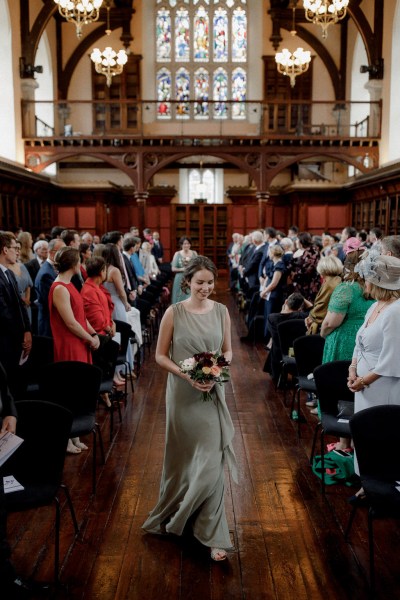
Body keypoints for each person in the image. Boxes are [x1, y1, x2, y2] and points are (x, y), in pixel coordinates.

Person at [142, 256, 237, 562]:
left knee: (212, 461)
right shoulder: (174, 312)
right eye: (200, 283)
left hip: (211, 394)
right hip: (182, 396)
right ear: (187, 283)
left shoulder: (222, 311)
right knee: (183, 460)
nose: (206, 288)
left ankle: (214, 534)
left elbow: (228, 350)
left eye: (210, 282)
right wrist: (188, 375)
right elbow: (159, 356)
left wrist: (216, 369)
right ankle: (180, 514)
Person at [348, 253, 400, 499]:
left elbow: (393, 357)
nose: (364, 283)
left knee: (379, 435)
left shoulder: (396, 312)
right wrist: (352, 368)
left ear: (379, 283)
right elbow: (360, 341)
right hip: (364, 385)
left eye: (367, 279)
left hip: (383, 386)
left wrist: (363, 380)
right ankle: (366, 481)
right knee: (364, 434)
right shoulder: (375, 306)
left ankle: (380, 485)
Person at [48, 247, 100, 453]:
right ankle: (66, 439)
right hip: (69, 344)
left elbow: (81, 316)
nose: (82, 265)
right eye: (79, 261)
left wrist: (94, 334)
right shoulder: (59, 287)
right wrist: (89, 338)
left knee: (78, 390)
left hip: (80, 342)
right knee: (68, 392)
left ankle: (75, 435)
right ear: (73, 264)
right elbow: (70, 323)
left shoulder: (70, 284)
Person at [320, 247, 374, 363]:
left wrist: (322, 333)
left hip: (345, 341)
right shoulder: (376, 288)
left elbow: (331, 323)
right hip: (369, 341)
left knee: (339, 377)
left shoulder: (346, 288)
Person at [0, 232, 32, 401]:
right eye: (14, 248)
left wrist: (27, 330)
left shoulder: (10, 273)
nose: (18, 252)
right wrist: (21, 334)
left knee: (19, 383)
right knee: (9, 384)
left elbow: (20, 306)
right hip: (6, 340)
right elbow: (4, 313)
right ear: (5, 250)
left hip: (19, 338)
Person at [305, 255, 343, 335]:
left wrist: (310, 318)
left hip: (324, 326)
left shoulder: (329, 284)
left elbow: (321, 306)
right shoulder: (337, 280)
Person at [8, 240, 33, 324]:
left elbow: (28, 285)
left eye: (19, 249)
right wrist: (22, 300)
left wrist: (27, 299)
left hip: (26, 305)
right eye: (16, 249)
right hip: (14, 304)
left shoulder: (22, 265)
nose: (17, 252)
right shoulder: (4, 268)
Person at [171, 236, 197, 304]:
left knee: (191, 296)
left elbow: (198, 266)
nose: (186, 245)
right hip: (180, 278)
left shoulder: (194, 253)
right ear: (181, 245)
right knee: (179, 297)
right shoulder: (177, 254)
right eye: (184, 243)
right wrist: (182, 269)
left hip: (191, 277)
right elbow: (173, 268)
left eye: (188, 243)